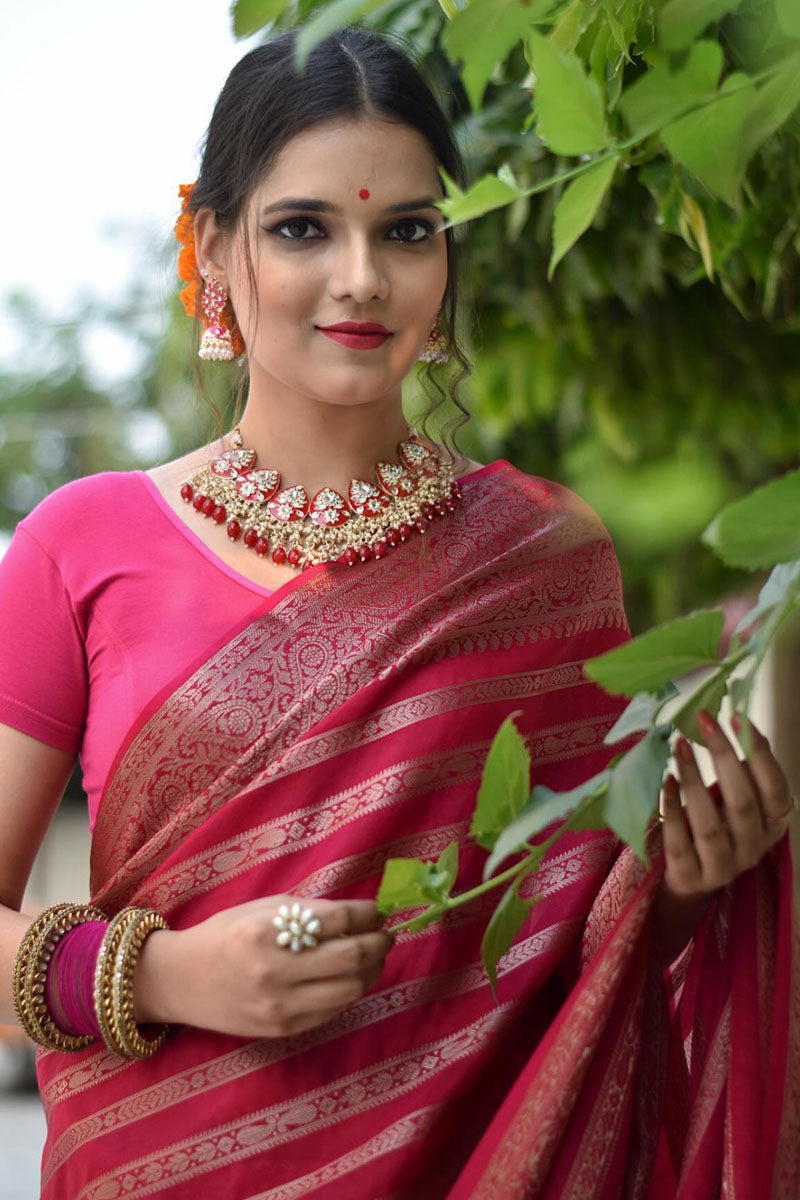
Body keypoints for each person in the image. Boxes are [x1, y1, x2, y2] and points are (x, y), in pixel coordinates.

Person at [0, 25, 798, 1200]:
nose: (362, 276)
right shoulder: (83, 543)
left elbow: (564, 942)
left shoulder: (542, 557)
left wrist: (686, 879)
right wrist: (163, 976)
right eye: (302, 228)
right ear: (214, 247)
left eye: (407, 231)